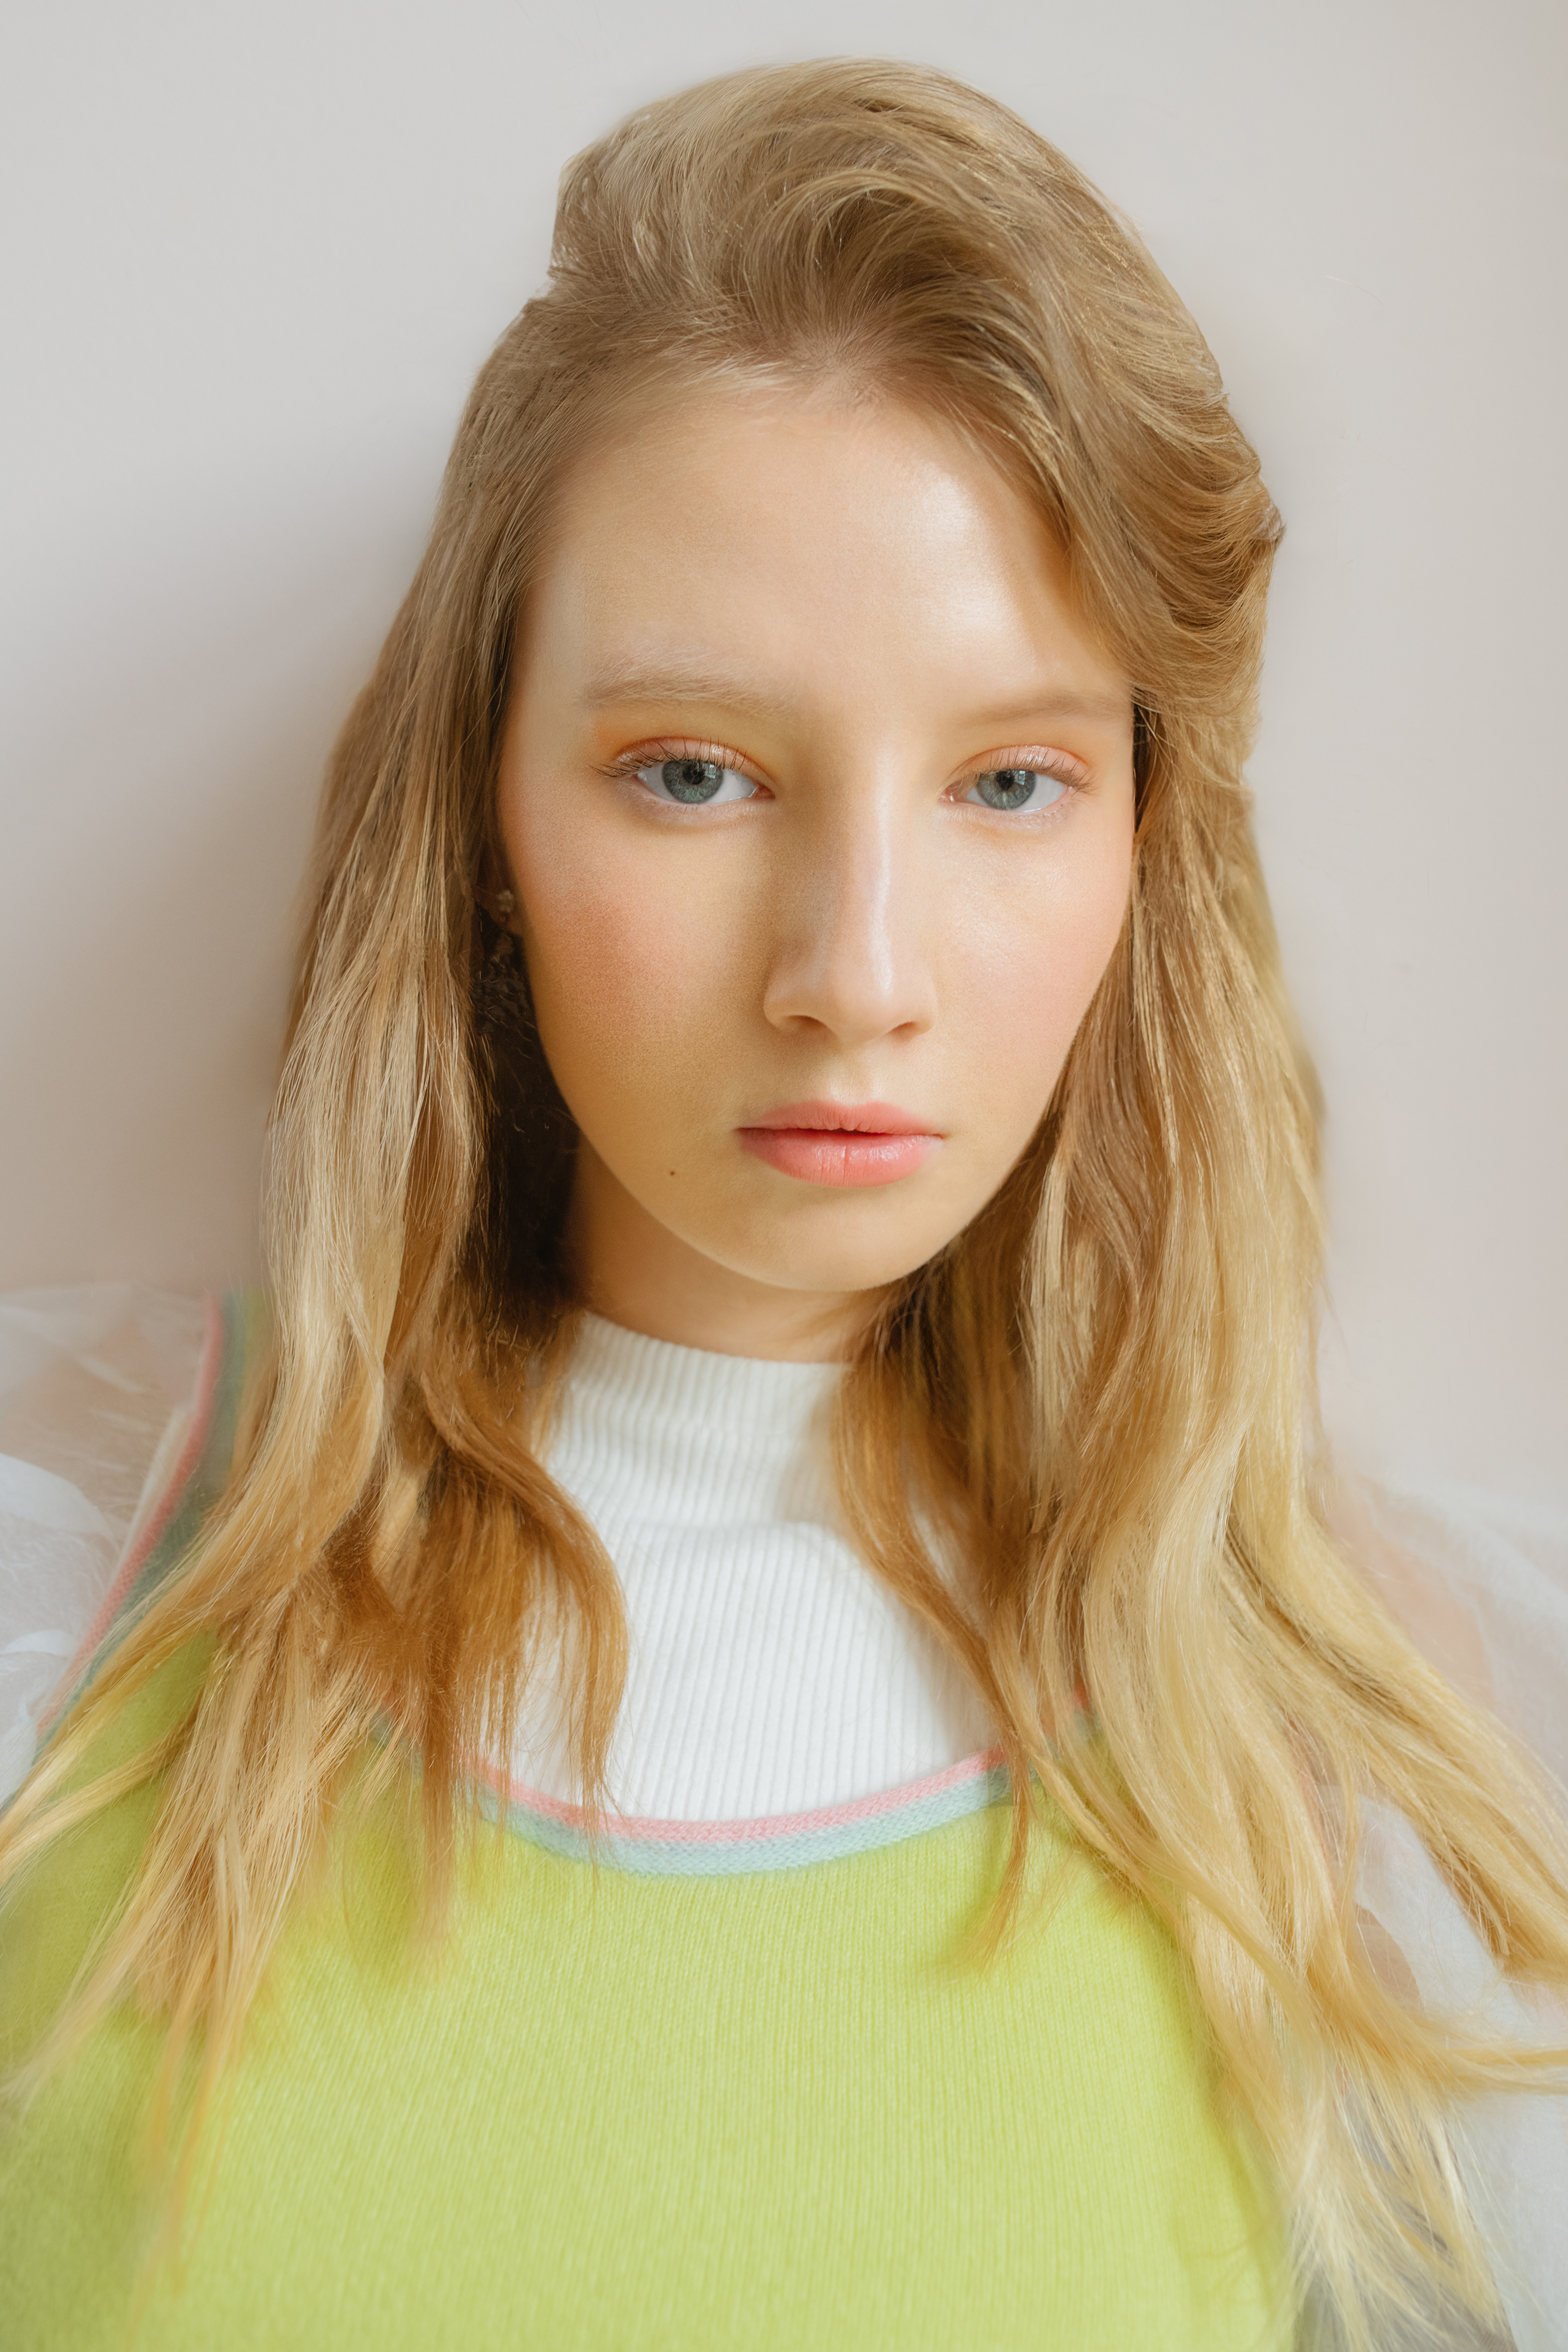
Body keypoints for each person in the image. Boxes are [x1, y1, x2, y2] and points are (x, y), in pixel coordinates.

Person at [1, 56, 1564, 2352]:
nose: (856, 976)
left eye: (1012, 780)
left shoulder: (1368, 1775)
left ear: (1148, 854)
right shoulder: (74, 1614)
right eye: (696, 773)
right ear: (493, 829)